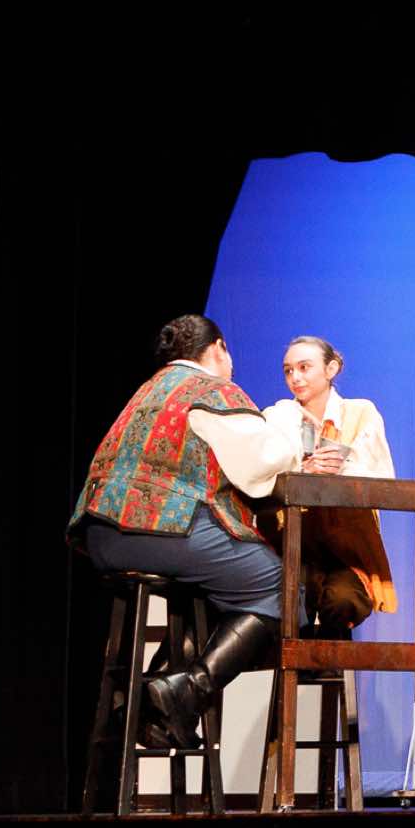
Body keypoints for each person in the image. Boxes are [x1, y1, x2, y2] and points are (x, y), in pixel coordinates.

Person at [67, 315, 301, 744]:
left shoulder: (148, 391)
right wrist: (287, 423)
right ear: (218, 347)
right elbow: (262, 464)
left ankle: (147, 705)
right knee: (282, 588)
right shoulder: (211, 391)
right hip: (158, 531)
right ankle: (186, 691)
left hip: (101, 535)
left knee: (219, 593)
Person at [262, 335, 397, 637]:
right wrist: (302, 471)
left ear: (331, 368)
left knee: (342, 600)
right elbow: (263, 470)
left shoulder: (360, 413)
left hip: (347, 544)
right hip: (294, 542)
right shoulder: (277, 416)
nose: (295, 377)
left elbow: (381, 474)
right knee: (294, 600)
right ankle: (294, 656)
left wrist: (340, 470)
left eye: (304, 367)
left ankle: (329, 656)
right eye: (288, 370)